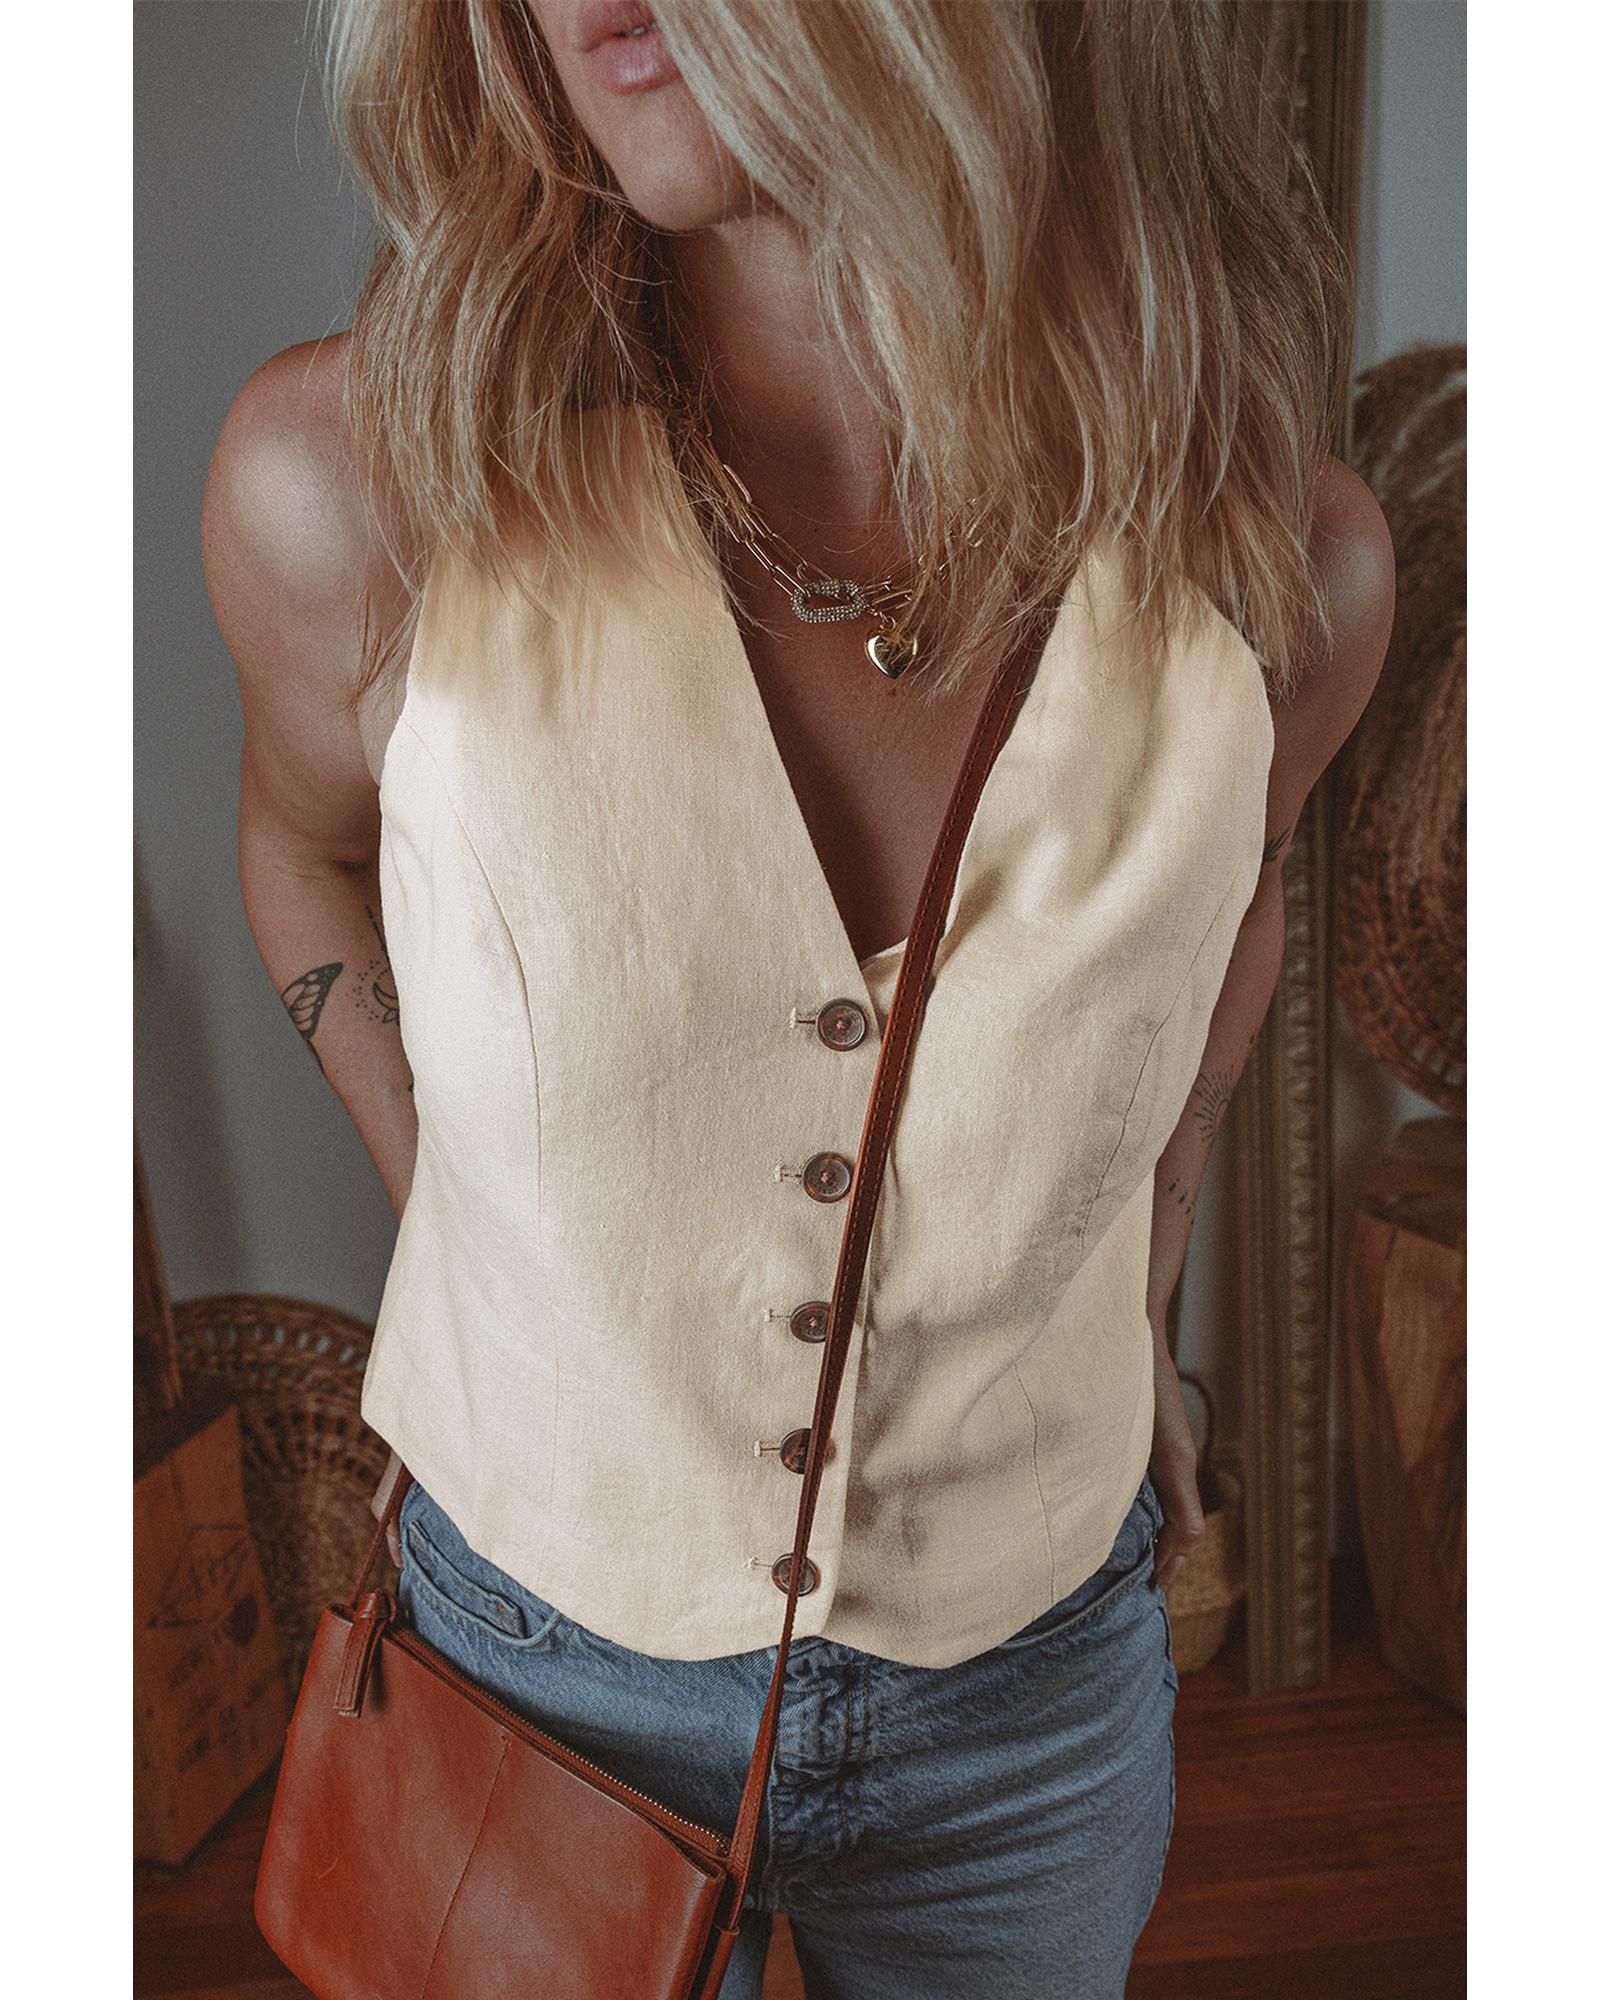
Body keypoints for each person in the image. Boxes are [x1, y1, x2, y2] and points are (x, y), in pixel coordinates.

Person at [201, 3, 1394, 1993]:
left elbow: (1222, 917)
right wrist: (461, 1218)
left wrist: (1148, 1288)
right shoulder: (355, 492)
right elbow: (300, 855)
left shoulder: (1279, 562)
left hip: (1032, 1690)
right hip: (531, 1660)